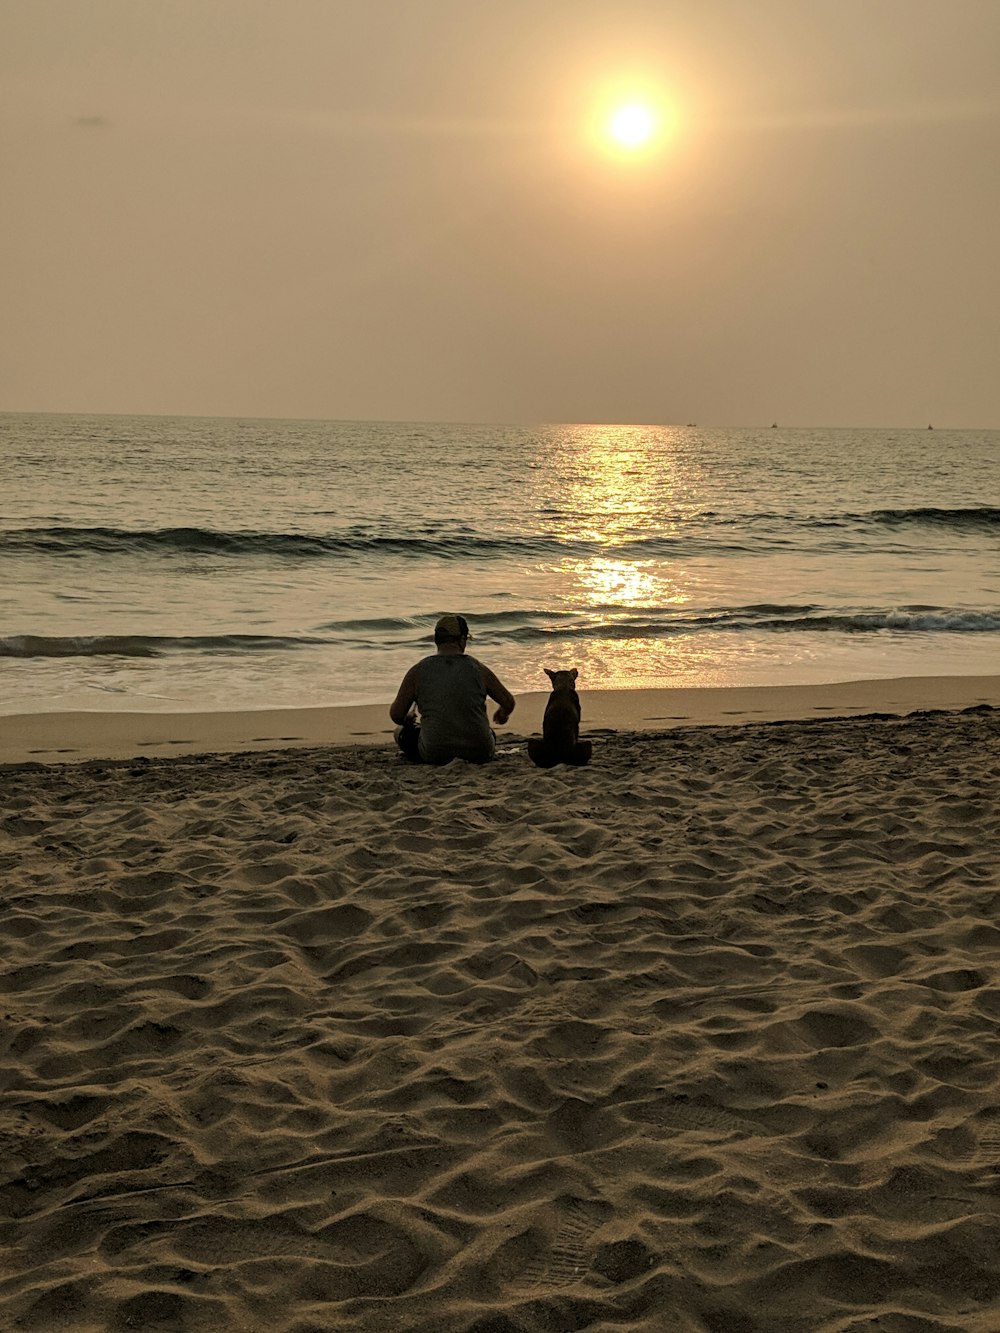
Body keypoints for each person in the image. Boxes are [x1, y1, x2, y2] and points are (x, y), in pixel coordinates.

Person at [390, 614, 515, 764]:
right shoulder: (478, 669)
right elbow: (508, 702)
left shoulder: (418, 671)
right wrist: (502, 714)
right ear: (462, 640)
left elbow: (396, 714)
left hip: (435, 753)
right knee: (488, 733)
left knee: (400, 732)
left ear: (436, 640)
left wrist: (407, 719)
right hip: (480, 752)